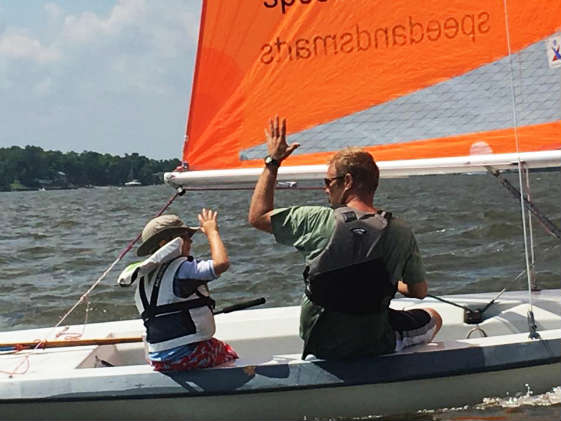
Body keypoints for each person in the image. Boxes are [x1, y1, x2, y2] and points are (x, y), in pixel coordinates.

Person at [248, 116, 442, 360]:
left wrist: (273, 162)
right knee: (434, 316)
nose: (325, 188)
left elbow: (258, 216)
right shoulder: (401, 231)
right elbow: (418, 291)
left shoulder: (315, 220)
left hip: (321, 343)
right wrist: (396, 284)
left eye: (328, 182)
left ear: (347, 182)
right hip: (373, 342)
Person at [117, 209, 238, 371]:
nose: (191, 242)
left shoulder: (143, 278)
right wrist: (212, 232)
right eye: (187, 238)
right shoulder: (182, 269)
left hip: (158, 359)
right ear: (166, 244)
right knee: (228, 353)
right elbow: (221, 264)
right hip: (186, 356)